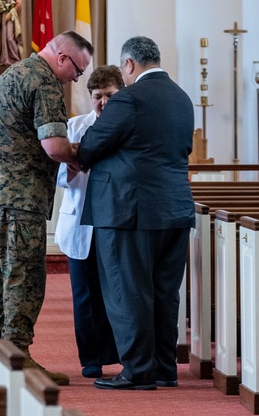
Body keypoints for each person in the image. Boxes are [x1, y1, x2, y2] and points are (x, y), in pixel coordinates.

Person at [0, 31, 93, 386]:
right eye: (78, 71)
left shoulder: (15, 72)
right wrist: (80, 156)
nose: (77, 79)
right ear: (63, 59)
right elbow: (53, 146)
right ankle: (16, 355)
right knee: (23, 273)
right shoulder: (46, 82)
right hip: (17, 194)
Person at [77, 35, 194, 391]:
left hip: (128, 210)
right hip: (174, 208)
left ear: (128, 65)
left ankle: (137, 371)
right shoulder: (181, 97)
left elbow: (94, 144)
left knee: (127, 290)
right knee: (164, 292)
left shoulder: (129, 98)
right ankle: (163, 368)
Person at [54, 65, 124, 378]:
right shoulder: (75, 126)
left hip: (115, 220)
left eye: (109, 96)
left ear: (120, 94)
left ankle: (120, 353)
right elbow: (58, 177)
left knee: (117, 291)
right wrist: (76, 163)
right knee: (84, 294)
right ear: (90, 97)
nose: (103, 103)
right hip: (80, 220)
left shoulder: (127, 128)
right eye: (98, 97)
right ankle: (91, 359)